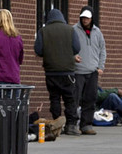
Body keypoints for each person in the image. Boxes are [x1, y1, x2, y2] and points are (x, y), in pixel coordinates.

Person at [34, 7, 81, 135]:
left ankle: (56, 124)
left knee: (54, 98)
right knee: (69, 99)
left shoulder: (43, 31)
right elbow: (77, 48)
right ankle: (71, 126)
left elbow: (38, 50)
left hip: (51, 71)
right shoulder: (70, 30)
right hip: (68, 72)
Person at [73, 8, 106, 136]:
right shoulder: (74, 30)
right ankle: (73, 124)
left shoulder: (97, 32)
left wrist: (100, 66)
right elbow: (69, 47)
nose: (85, 20)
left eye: (87, 18)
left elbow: (102, 50)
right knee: (75, 98)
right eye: (83, 18)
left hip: (93, 71)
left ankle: (86, 124)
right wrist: (73, 57)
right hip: (78, 71)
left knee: (90, 98)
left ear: (92, 18)